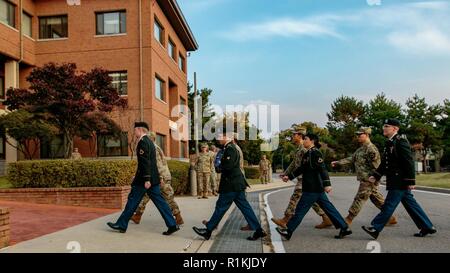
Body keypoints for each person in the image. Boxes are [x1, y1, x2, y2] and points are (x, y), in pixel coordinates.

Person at [362, 119, 437, 239]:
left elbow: (408, 162)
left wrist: (411, 181)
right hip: (395, 180)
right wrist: (376, 175)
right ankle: (427, 226)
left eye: (387, 126)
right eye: (384, 126)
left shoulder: (401, 142)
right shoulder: (390, 142)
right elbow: (385, 163)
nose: (384, 128)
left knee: (389, 205)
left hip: (400, 180)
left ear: (395, 129)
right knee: (411, 205)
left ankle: (375, 228)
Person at [107, 122, 178, 235]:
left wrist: (147, 179)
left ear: (140, 130)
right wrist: (155, 177)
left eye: (135, 130)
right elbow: (152, 163)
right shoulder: (150, 142)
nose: (134, 132)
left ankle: (121, 224)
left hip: (144, 181)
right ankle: (172, 224)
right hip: (150, 179)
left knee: (132, 201)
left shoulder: (143, 142)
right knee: (160, 202)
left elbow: (145, 162)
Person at [276, 133, 352, 240]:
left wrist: (327, 184)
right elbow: (301, 168)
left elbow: (323, 169)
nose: (304, 140)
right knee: (329, 208)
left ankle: (288, 231)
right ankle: (345, 228)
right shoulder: (308, 154)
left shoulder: (316, 153)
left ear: (312, 141)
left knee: (300, 210)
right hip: (316, 189)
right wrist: (288, 176)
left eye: (305, 139)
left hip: (312, 188)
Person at [193, 132, 267, 241]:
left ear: (227, 137)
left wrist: (219, 168)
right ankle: (259, 231)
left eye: (221, 136)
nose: (218, 138)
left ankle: (208, 231)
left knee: (221, 207)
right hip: (236, 184)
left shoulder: (230, 148)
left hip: (231, 184)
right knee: (245, 208)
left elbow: (229, 166)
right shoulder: (229, 148)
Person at [331, 127, 397, 226]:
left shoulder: (371, 149)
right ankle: (390, 217)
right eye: (357, 135)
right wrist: (338, 162)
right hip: (366, 179)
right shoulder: (361, 149)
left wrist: (375, 178)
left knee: (359, 198)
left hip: (369, 179)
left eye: (360, 135)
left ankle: (349, 219)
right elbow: (352, 158)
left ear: (366, 135)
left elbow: (378, 166)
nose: (357, 137)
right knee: (376, 199)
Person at [272, 127, 332, 229]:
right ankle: (326, 218)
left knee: (295, 197)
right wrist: (286, 173)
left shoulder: (305, 148)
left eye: (294, 134)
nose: (292, 136)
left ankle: (285, 220)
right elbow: (294, 163)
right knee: (312, 201)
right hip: (303, 179)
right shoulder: (300, 148)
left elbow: (306, 166)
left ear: (299, 135)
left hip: (305, 179)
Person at [130, 131, 184, 225]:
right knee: (145, 196)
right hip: (156, 177)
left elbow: (157, 164)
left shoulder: (153, 148)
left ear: (151, 139)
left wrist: (160, 178)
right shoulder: (154, 147)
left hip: (160, 177)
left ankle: (178, 217)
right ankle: (137, 216)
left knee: (168, 197)